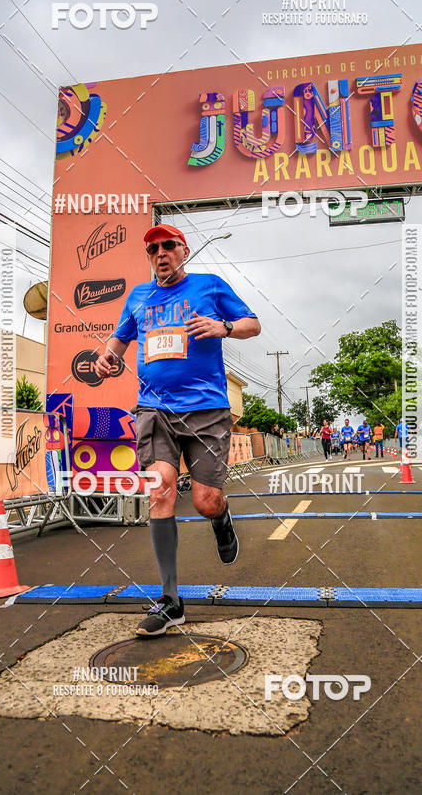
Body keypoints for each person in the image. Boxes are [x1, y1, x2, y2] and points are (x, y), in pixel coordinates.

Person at [94, 224, 260, 637]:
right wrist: (106, 359)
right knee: (161, 489)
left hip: (206, 410)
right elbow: (117, 340)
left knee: (204, 500)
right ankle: (171, 601)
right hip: (154, 409)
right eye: (153, 248)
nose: (161, 252)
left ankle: (221, 519)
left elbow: (252, 324)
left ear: (183, 251)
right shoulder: (138, 296)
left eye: (169, 245)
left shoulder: (209, 286)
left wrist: (223, 327)